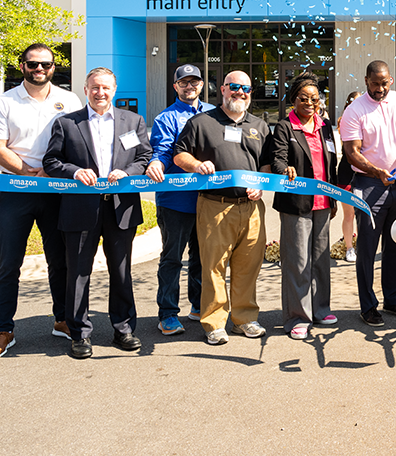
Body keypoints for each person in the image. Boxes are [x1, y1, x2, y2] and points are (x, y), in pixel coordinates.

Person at [43, 67, 152, 359]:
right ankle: (79, 333)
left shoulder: (133, 120)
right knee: (78, 273)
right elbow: (51, 161)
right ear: (85, 89)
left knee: (121, 271)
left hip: (120, 207)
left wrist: (127, 171)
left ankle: (124, 329)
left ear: (114, 90)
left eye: (105, 88)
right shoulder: (66, 123)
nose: (100, 93)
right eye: (94, 88)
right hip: (80, 209)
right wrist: (76, 171)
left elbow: (144, 156)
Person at [173, 70, 271, 346]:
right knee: (214, 267)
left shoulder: (259, 125)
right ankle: (214, 323)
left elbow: (265, 163)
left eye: (246, 88)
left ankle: (244, 319)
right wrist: (196, 165)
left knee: (248, 265)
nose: (240, 92)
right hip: (215, 205)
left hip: (251, 207)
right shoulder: (201, 122)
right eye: (234, 87)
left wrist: (261, 184)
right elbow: (179, 154)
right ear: (223, 89)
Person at [0, 44, 83, 357]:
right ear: (22, 66)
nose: (39, 69)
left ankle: (62, 319)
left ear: (53, 67)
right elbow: (1, 146)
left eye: (45, 64)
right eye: (33, 64)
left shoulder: (70, 99)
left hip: (57, 191)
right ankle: (4, 328)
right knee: (8, 263)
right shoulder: (5, 101)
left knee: (59, 259)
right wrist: (29, 173)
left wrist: (53, 174)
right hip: (13, 190)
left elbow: (77, 141)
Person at [341, 60, 396, 327]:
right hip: (369, 184)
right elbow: (352, 152)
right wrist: (376, 172)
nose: (380, 88)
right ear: (366, 81)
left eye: (384, 83)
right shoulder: (355, 110)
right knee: (367, 248)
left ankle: (393, 299)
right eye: (375, 84)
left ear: (391, 80)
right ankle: (368, 306)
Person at [145, 64, 214, 337]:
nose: (189, 87)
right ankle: (168, 313)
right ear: (175, 87)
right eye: (183, 83)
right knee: (172, 258)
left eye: (194, 82)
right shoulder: (166, 118)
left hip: (207, 200)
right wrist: (154, 164)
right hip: (175, 201)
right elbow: (161, 152)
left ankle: (198, 306)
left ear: (201, 85)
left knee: (201, 257)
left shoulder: (213, 114)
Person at [270, 72, 340, 340]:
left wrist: (333, 197)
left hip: (323, 202)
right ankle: (297, 317)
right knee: (298, 261)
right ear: (293, 100)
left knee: (321, 260)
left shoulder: (324, 126)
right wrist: (284, 168)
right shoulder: (285, 127)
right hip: (296, 204)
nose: (310, 103)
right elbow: (277, 158)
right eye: (304, 98)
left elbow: (330, 162)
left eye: (315, 98)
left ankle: (320, 309)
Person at [336, 91, 362, 263]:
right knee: (349, 214)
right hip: (346, 172)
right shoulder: (343, 121)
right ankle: (349, 248)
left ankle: (362, 246)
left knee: (362, 213)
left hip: (363, 173)